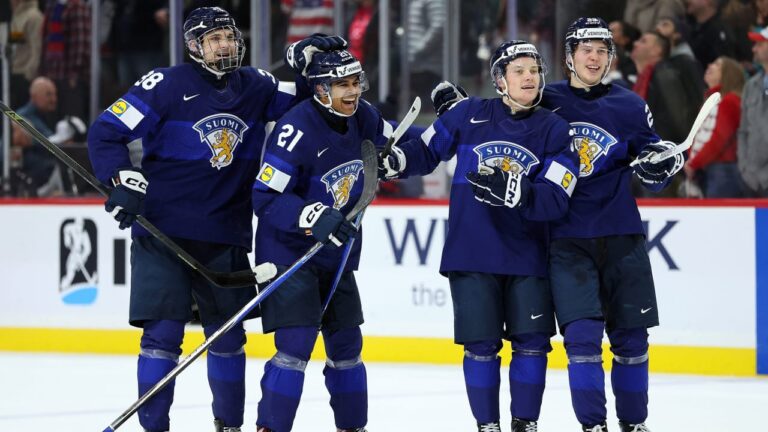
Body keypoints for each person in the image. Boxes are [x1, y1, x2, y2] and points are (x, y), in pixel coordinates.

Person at [87, 7, 346, 432]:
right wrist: (120, 177)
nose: (225, 45)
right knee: (162, 336)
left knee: (228, 337)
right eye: (214, 39)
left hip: (225, 233)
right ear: (194, 46)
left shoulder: (256, 85)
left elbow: (309, 100)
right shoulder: (163, 85)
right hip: (162, 232)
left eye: (229, 36)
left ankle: (229, 425)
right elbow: (106, 130)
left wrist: (307, 63)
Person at [432, 17, 684, 432]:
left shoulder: (631, 106)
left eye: (601, 50)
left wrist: (665, 165)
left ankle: (634, 423)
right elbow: (503, 112)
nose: (594, 58)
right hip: (565, 238)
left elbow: (652, 163)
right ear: (568, 57)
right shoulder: (545, 99)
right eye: (585, 49)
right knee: (582, 340)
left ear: (611, 58)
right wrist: (460, 110)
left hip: (621, 233)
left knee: (632, 340)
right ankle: (593, 426)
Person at [385, 41, 579, 432]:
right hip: (471, 252)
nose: (529, 77)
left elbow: (558, 196)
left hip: (528, 256)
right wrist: (397, 161)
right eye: (519, 70)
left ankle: (525, 424)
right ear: (499, 80)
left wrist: (518, 191)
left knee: (531, 344)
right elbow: (426, 151)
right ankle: (487, 426)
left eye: (534, 70)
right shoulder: (467, 113)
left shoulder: (556, 130)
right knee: (480, 346)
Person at [251, 48, 393, 432]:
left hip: (335, 254)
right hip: (289, 253)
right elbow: (265, 197)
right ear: (319, 89)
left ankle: (353, 427)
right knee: (295, 346)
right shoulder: (294, 129)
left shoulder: (363, 117)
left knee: (347, 345)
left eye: (356, 82)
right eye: (342, 84)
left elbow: (398, 139)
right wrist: (310, 215)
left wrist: (444, 132)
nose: (353, 91)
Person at [685, 56, 746, 197]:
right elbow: (698, 137)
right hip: (707, 168)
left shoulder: (730, 100)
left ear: (729, 74)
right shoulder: (712, 101)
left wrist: (694, 163)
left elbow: (719, 139)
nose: (710, 65)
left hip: (721, 170)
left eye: (717, 65)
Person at [737, 26, 768, 197]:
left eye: (760, 44)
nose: (754, 49)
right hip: (753, 178)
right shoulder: (751, 85)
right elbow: (743, 130)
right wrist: (744, 167)